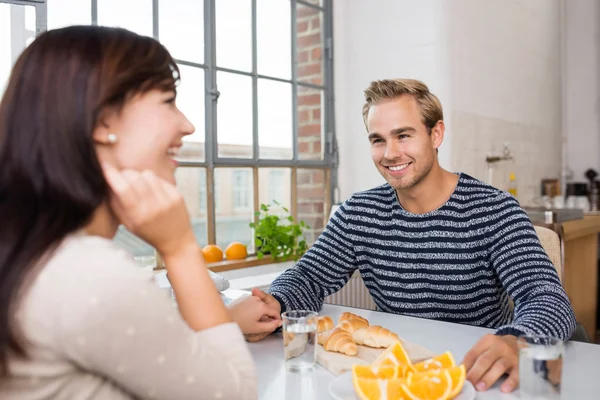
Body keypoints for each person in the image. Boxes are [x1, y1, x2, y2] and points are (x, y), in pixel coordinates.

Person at [239, 79, 576, 393]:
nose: (390, 153)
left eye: (403, 135)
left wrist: (519, 340)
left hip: (476, 376)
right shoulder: (360, 212)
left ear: (436, 134)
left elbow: (546, 296)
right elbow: (309, 277)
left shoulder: (494, 209)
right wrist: (277, 303)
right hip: (396, 373)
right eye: (378, 140)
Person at [0, 25, 278, 399]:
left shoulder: (36, 253)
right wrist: (178, 246)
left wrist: (226, 320)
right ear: (102, 121)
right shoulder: (90, 272)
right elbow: (234, 394)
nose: (188, 125)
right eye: (168, 101)